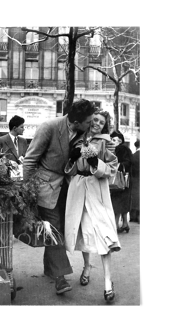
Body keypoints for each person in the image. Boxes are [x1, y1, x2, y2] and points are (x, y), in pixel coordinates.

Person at [23, 99, 97, 295]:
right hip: (45, 187)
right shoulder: (49, 127)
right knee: (54, 230)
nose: (91, 124)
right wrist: (28, 191)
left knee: (59, 229)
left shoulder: (83, 132)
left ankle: (50, 269)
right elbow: (30, 160)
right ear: (76, 121)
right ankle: (61, 278)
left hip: (68, 188)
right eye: (88, 121)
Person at [64, 109, 120, 303]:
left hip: (97, 191)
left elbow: (112, 168)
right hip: (79, 190)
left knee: (104, 235)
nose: (96, 123)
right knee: (84, 231)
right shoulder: (77, 140)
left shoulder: (107, 142)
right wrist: (71, 159)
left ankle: (107, 282)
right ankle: (87, 267)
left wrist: (96, 162)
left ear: (105, 125)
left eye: (101, 121)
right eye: (94, 119)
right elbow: (70, 172)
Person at [110, 130, 133, 233]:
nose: (115, 142)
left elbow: (125, 162)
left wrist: (117, 166)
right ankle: (124, 223)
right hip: (126, 180)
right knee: (123, 202)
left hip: (118, 180)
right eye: (113, 139)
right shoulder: (126, 150)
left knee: (117, 202)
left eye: (118, 140)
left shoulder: (120, 149)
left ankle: (116, 225)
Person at [130, 140, 142, 224]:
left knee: (135, 197)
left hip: (135, 179)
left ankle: (133, 217)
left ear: (136, 147)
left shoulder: (132, 156)